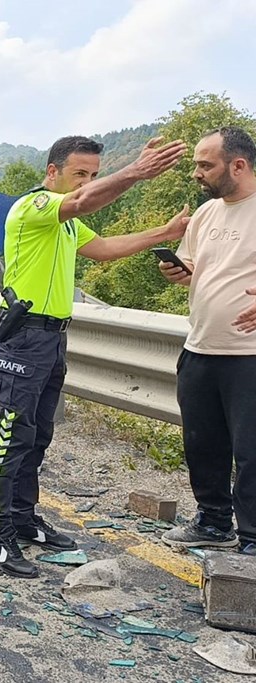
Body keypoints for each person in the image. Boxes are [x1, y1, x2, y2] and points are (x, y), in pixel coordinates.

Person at [0, 135, 189, 578]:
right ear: (52, 172)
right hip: (23, 336)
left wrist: (166, 233)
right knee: (12, 434)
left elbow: (105, 248)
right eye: (79, 174)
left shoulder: (67, 224)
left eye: (92, 175)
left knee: (38, 434)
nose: (86, 184)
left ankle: (22, 517)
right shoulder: (33, 208)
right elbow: (83, 204)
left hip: (53, 337)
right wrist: (136, 171)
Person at [159, 127, 256, 557]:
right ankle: (214, 522)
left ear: (238, 164)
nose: (196, 173)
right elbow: (198, 264)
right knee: (202, 444)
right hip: (200, 347)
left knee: (251, 452)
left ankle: (252, 537)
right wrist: (182, 270)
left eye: (205, 164)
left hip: (248, 354)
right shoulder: (205, 215)